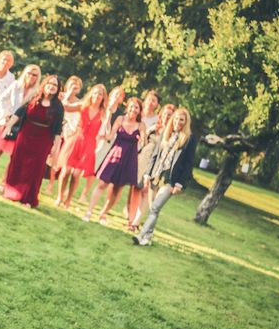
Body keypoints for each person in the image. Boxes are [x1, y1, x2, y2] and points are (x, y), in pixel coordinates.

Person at [133, 108, 196, 245]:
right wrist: (147, 174)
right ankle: (148, 238)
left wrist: (180, 184)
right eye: (176, 118)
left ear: (186, 122)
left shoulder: (189, 139)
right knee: (152, 209)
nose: (178, 122)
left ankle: (140, 235)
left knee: (155, 208)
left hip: (170, 180)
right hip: (156, 175)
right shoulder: (165, 134)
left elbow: (188, 164)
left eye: (181, 120)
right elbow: (155, 155)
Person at [2, 75, 64, 208]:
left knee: (35, 170)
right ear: (44, 85)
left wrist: (55, 147)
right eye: (50, 84)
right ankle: (11, 191)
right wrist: (8, 126)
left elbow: (58, 129)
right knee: (18, 162)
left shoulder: (58, 107)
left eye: (55, 85)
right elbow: (19, 112)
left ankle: (28, 199)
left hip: (43, 140)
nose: (52, 87)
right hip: (25, 134)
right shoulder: (33, 97)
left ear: (58, 89)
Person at [83, 97, 145, 225]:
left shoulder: (141, 125)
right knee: (102, 184)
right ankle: (89, 211)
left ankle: (103, 213)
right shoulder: (120, 119)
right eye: (131, 106)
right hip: (115, 155)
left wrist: (141, 139)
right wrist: (103, 135)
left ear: (139, 111)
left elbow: (143, 141)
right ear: (127, 107)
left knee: (117, 190)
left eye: (136, 108)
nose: (133, 109)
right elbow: (111, 135)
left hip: (129, 159)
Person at [0, 64, 41, 189]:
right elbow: (1, 100)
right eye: (29, 73)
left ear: (38, 77)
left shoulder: (37, 92)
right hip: (8, 122)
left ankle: (3, 182)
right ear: (25, 73)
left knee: (14, 157)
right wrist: (3, 116)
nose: (31, 76)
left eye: (35, 75)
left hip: (23, 127)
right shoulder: (15, 85)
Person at [54, 83, 106, 208]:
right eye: (95, 92)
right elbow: (65, 107)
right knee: (66, 171)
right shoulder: (82, 106)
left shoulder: (103, 113)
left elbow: (106, 128)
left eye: (100, 94)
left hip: (89, 145)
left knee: (76, 174)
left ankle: (68, 199)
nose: (97, 96)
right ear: (91, 94)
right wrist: (69, 93)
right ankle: (60, 196)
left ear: (103, 97)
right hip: (76, 140)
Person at [127, 104, 176, 231]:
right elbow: (143, 142)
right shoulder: (154, 128)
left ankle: (136, 222)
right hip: (144, 159)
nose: (166, 117)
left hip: (156, 165)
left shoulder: (172, 134)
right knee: (136, 189)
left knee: (146, 191)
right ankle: (130, 218)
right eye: (164, 114)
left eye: (169, 115)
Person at [78, 85, 125, 203]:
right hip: (91, 137)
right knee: (79, 164)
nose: (116, 97)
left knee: (92, 168)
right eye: (115, 94)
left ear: (121, 99)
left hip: (104, 143)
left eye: (120, 95)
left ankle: (84, 194)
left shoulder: (119, 114)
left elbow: (112, 131)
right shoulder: (102, 106)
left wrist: (109, 117)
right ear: (110, 95)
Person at [45, 76, 83, 194]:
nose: (73, 88)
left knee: (64, 163)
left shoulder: (79, 103)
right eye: (72, 85)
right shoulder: (60, 96)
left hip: (69, 134)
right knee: (52, 160)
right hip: (56, 130)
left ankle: (63, 186)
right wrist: (68, 94)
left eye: (76, 86)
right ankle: (50, 184)